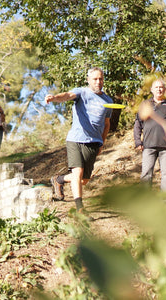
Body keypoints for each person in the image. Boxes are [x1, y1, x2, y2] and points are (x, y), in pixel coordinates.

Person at [45, 67, 113, 211]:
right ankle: (80, 209)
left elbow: (106, 124)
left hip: (94, 142)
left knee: (83, 180)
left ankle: (59, 180)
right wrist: (54, 97)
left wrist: (102, 142)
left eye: (100, 79)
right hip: (76, 138)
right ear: (88, 80)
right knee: (77, 173)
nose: (98, 82)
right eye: (95, 79)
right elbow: (67, 95)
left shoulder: (108, 100)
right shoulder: (82, 92)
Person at [134, 79, 166, 191]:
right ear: (152, 90)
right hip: (148, 146)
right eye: (156, 87)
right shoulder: (145, 104)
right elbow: (138, 124)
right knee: (146, 175)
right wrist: (138, 141)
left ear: (165, 89)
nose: (159, 89)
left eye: (161, 87)